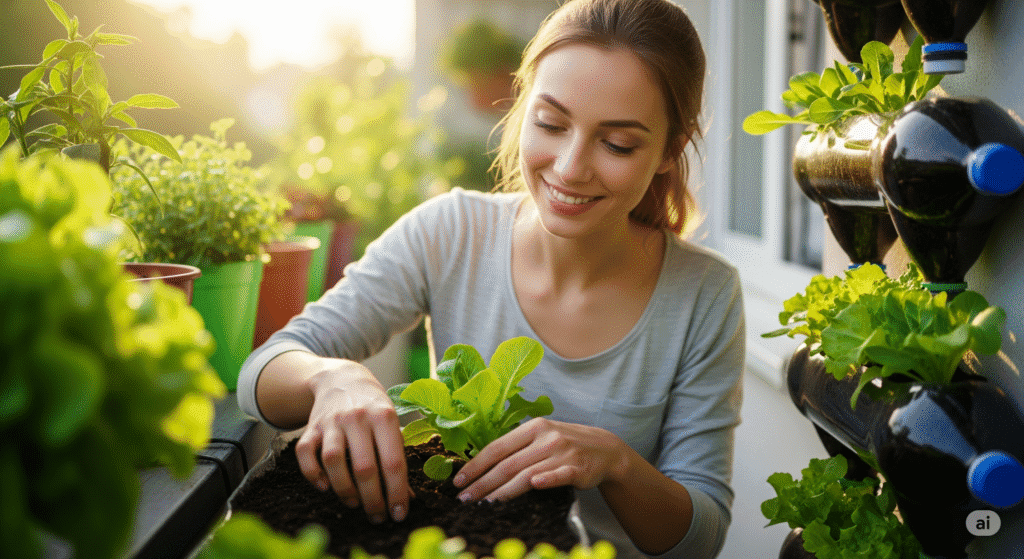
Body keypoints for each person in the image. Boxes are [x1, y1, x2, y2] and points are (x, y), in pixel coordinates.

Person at [237, 0, 744, 557]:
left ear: (671, 150)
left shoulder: (704, 294)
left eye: (617, 143)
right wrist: (330, 379)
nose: (571, 167)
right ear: (522, 109)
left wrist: (615, 461)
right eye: (551, 123)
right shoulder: (450, 232)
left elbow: (701, 537)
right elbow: (262, 371)